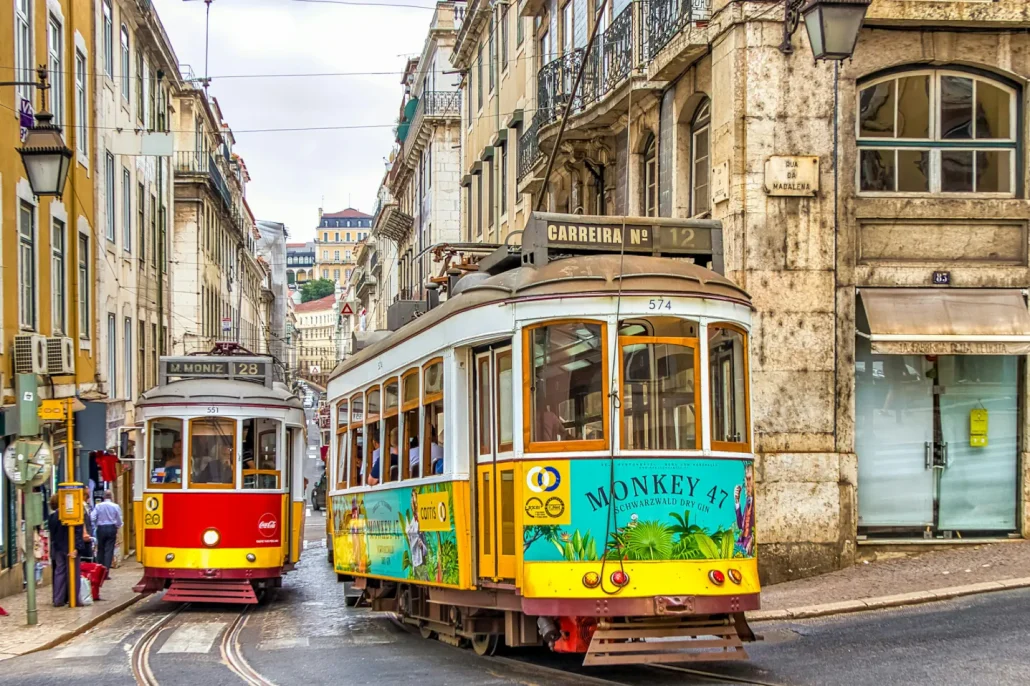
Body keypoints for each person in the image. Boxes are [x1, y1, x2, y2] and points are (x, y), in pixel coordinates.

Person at [47, 494, 90, 606]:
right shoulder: (72, 515)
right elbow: (78, 533)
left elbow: (53, 534)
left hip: (58, 548)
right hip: (70, 548)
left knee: (59, 573)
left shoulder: (52, 517)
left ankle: (58, 599)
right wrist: (77, 548)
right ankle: (74, 599)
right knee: (73, 573)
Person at [92, 490, 123, 573]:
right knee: (109, 550)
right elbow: (119, 519)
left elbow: (92, 517)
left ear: (104, 497)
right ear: (111, 497)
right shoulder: (115, 506)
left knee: (101, 549)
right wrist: (117, 526)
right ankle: (106, 571)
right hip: (111, 528)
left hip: (101, 528)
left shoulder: (98, 506)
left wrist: (96, 524)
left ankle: (100, 570)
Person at [734, 463, 755, 557]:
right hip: (741, 542)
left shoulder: (755, 501)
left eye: (749, 479)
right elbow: (740, 525)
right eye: (746, 479)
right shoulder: (748, 500)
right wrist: (737, 501)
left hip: (748, 544)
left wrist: (752, 539)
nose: (747, 483)